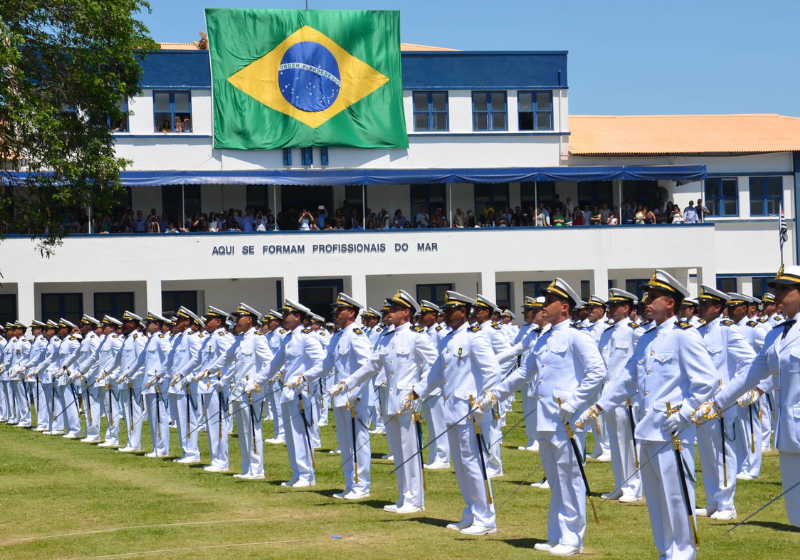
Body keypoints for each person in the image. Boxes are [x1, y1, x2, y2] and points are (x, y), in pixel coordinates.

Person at [575, 270, 716, 560]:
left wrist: (686, 413)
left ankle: (683, 554)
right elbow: (627, 379)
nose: (646, 302)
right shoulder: (647, 338)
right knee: (656, 500)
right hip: (648, 430)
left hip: (673, 431)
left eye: (653, 297)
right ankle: (666, 552)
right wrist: (599, 406)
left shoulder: (684, 337)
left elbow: (707, 381)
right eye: (647, 296)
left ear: (671, 303)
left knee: (677, 498)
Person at [479, 278, 606, 556]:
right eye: (544, 301)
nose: (543, 305)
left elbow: (598, 372)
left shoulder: (577, 335)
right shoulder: (544, 336)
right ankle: (557, 535)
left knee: (570, 481)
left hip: (566, 420)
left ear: (565, 307)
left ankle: (573, 540)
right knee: (556, 481)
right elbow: (526, 372)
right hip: (546, 420)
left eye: (549, 301)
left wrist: (574, 402)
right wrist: (495, 393)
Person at [332, 290, 438, 514]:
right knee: (397, 451)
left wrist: (418, 392)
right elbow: (371, 366)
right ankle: (403, 497)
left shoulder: (417, 336)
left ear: (406, 313)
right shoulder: (386, 337)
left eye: (394, 309)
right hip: (390, 401)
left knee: (410, 451)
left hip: (407, 401)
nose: (388, 313)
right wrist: (347, 383)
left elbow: (436, 366)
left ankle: (415, 500)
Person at [405, 291, 502, 536]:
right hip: (453, 412)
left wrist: (484, 401)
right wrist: (416, 392)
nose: (445, 314)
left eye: (450, 310)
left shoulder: (475, 338)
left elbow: (492, 373)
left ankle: (486, 518)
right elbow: (437, 372)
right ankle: (471, 512)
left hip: (471, 413)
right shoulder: (448, 339)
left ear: (464, 312)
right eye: (444, 310)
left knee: (474, 465)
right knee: (460, 466)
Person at [691, 286, 756, 520]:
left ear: (718, 308)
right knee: (707, 455)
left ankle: (727, 505)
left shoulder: (728, 331)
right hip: (701, 404)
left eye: (705, 304)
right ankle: (712, 502)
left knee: (723, 455)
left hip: (720, 404)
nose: (700, 307)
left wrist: (729, 391)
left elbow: (748, 362)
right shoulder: (697, 331)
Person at [304, 294, 373, 499]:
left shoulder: (357, 335)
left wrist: (355, 392)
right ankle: (351, 484)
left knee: (358, 442)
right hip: (341, 397)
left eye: (339, 310)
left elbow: (367, 367)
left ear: (351, 313)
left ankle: (362, 486)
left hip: (355, 398)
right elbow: (327, 363)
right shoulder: (337, 336)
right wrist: (305, 377)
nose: (335, 313)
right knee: (345, 442)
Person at [205, 303, 276, 479]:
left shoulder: (257, 338)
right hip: (238, 392)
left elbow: (270, 363)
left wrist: (257, 382)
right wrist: (208, 371)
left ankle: (257, 469)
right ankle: (247, 467)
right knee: (244, 430)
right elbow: (225, 358)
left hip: (251, 392)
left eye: (240, 317)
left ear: (249, 319)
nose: (236, 321)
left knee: (252, 429)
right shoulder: (239, 339)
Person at [268, 300, 325, 487]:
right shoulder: (288, 338)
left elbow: (321, 363)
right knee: (292, 436)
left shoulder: (308, 337)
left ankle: (307, 475)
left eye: (287, 314)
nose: (283, 317)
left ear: (298, 316)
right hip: (289, 392)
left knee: (302, 434)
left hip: (301, 393)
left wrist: (303, 378)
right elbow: (274, 364)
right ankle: (297, 473)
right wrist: (257, 381)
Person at [596, 289, 642, 502]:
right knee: (615, 442)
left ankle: (634, 486)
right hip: (607, 396)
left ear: (626, 308)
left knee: (629, 443)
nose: (609, 310)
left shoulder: (635, 331)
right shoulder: (606, 333)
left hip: (627, 398)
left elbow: (640, 364)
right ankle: (620, 484)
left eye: (615, 306)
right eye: (609, 306)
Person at [187, 306, 236, 471]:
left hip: (217, 385)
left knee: (218, 422)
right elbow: (197, 359)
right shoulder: (209, 338)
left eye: (209, 320)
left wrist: (225, 380)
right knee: (212, 424)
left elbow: (232, 358)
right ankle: (216, 459)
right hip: (207, 385)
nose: (205, 322)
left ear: (218, 322)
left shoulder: (222, 337)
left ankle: (221, 461)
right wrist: (182, 373)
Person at [127, 312, 173, 457]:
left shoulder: (160, 339)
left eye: (149, 323)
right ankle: (157, 447)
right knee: (154, 418)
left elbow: (169, 357)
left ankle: (162, 449)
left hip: (157, 384)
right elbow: (140, 360)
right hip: (149, 385)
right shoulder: (150, 340)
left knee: (160, 417)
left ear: (157, 325)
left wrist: (161, 374)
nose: (146, 325)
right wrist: (127, 374)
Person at [416, 301, 451, 469]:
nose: (422, 316)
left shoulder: (440, 332)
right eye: (421, 313)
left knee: (438, 421)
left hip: (435, 383)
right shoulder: (424, 332)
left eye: (425, 314)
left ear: (434, 316)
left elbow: (439, 358)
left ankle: (443, 457)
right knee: (430, 422)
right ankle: (433, 455)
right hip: (426, 382)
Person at [167, 307, 205, 464]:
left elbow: (199, 359)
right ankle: (185, 450)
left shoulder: (191, 338)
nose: (176, 322)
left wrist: (189, 377)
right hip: (177, 385)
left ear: (187, 321)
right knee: (181, 419)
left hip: (187, 385)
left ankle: (192, 452)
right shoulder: (179, 339)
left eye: (179, 320)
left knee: (188, 418)